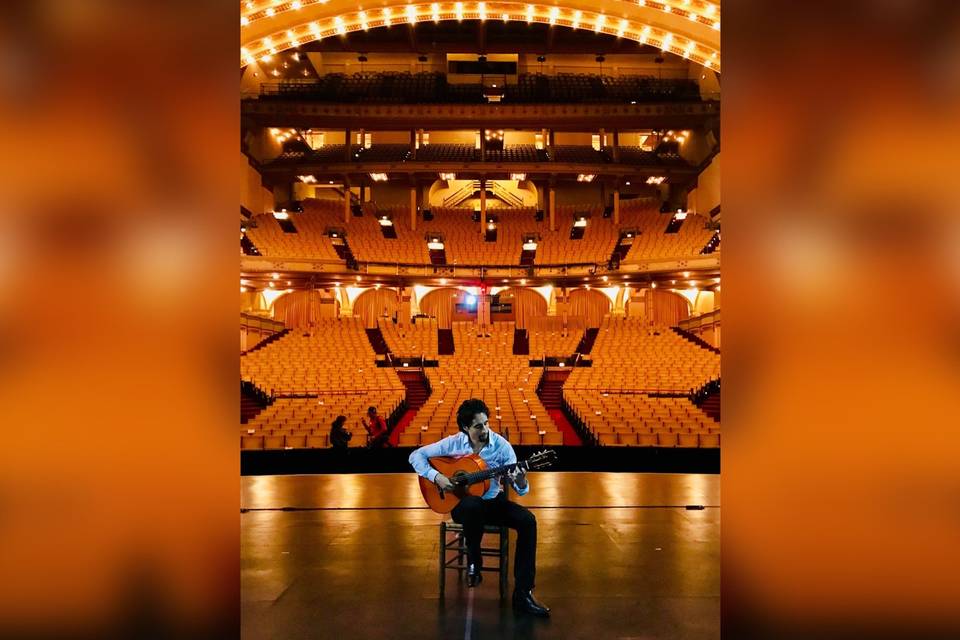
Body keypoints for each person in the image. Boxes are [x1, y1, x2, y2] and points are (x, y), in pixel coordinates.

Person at [408, 398, 550, 617]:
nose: (484, 429)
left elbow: (521, 490)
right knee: (472, 504)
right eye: (478, 425)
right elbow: (415, 455)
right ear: (465, 427)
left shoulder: (502, 447)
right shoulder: (453, 443)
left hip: (494, 503)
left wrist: (520, 479)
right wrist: (436, 477)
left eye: (486, 423)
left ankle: (523, 594)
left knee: (528, 521)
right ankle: (475, 559)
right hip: (463, 505)